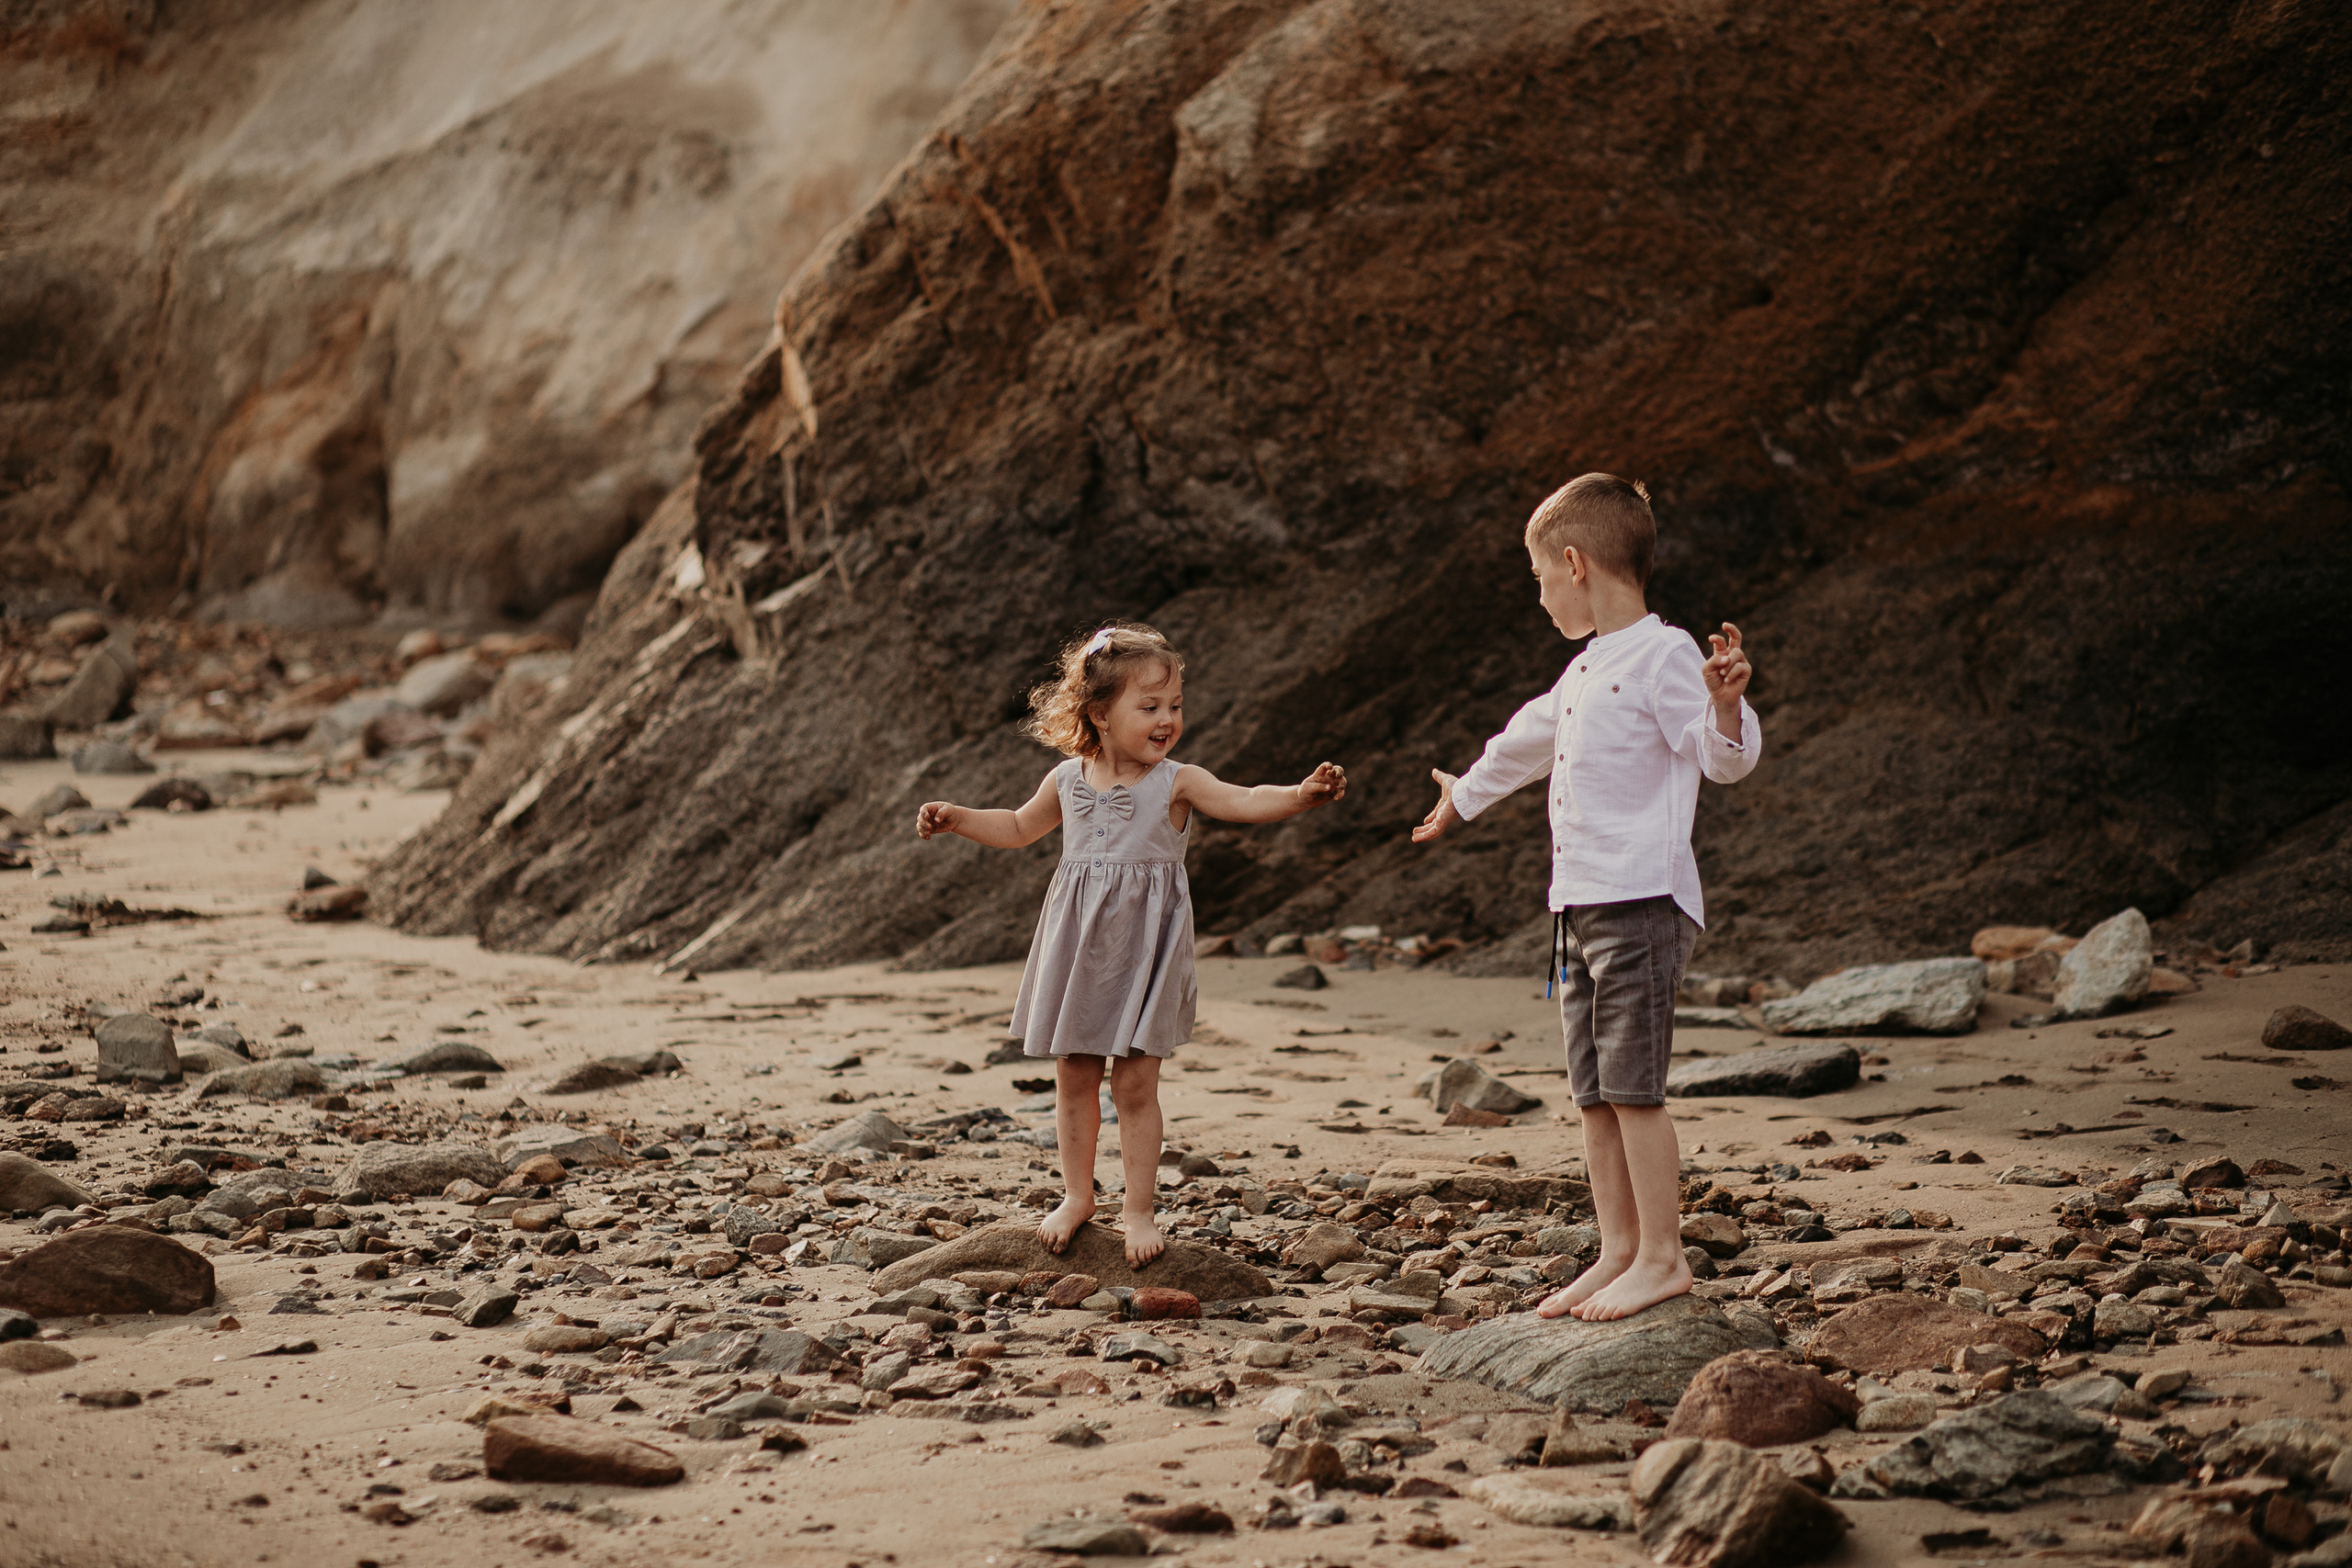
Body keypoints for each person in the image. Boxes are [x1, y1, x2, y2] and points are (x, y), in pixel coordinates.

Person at [1413, 474, 1759, 1321]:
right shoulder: (1584, 669)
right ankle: (1617, 1248)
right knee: (1595, 1092)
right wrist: (1463, 795)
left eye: (1538, 580)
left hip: (1642, 901)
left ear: (1574, 563)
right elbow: (1522, 741)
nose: (1538, 597)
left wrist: (1727, 706)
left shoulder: (1668, 654)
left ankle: (1665, 1255)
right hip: (1579, 908)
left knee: (1636, 1089)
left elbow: (1723, 760)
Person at [917, 622, 1347, 1267]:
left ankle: (1139, 1207)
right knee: (1074, 1076)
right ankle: (1077, 1194)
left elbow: (1245, 799)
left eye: (1174, 705)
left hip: (1146, 956)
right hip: (1079, 955)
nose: (1167, 719)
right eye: (1149, 707)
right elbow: (1014, 826)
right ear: (1099, 713)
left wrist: (1298, 795)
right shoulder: (1067, 780)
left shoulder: (1176, 781)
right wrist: (958, 819)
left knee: (1137, 1085)